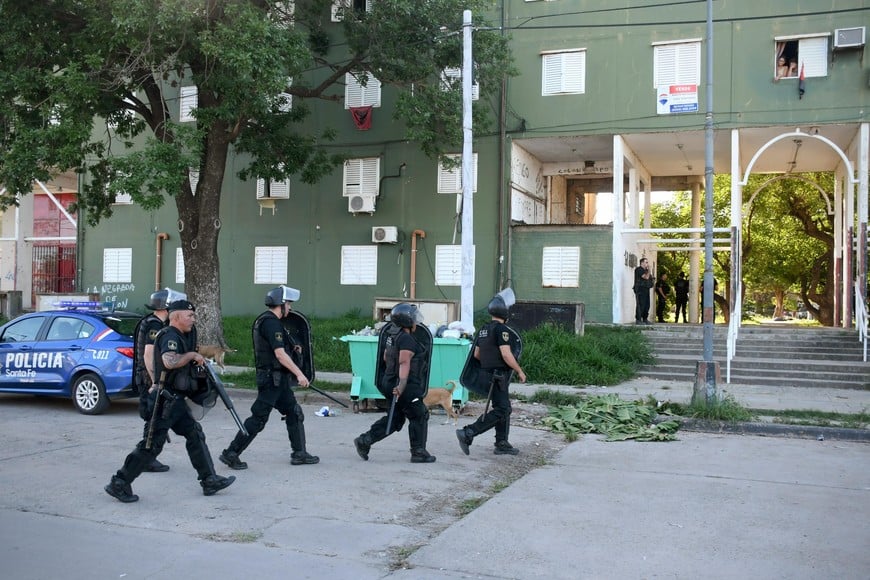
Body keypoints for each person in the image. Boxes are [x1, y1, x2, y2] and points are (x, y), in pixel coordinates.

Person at [105, 299, 235, 502]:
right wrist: (191, 354)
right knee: (151, 445)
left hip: (176, 400)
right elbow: (168, 360)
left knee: (194, 434)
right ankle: (119, 483)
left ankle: (209, 479)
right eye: (189, 315)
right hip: (165, 400)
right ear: (176, 317)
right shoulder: (169, 335)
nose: (193, 319)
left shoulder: (184, 335)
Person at [219, 286, 319, 470]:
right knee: (258, 418)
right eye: (288, 303)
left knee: (294, 411)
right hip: (271, 380)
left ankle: (299, 453)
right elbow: (279, 354)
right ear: (280, 304)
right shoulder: (271, 323)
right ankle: (231, 453)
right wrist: (299, 374)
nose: (290, 307)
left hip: (277, 380)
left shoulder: (270, 321)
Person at [353, 303, 436, 464]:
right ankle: (418, 452)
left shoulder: (392, 335)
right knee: (419, 414)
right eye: (413, 318)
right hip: (404, 385)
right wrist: (402, 386)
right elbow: (404, 363)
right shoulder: (406, 339)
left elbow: (386, 357)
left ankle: (365, 440)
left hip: (388, 381)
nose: (416, 322)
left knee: (396, 418)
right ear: (406, 321)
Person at [455, 290, 527, 456]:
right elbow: (506, 354)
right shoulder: (502, 330)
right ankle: (469, 432)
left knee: (503, 407)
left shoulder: (484, 329)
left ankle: (501, 442)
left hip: (488, 375)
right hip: (499, 375)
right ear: (505, 312)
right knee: (503, 410)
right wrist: (519, 371)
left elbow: (477, 355)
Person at [132, 287, 185, 473]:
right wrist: (155, 381)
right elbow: (148, 354)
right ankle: (145, 457)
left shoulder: (153, 322)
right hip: (148, 377)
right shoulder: (155, 325)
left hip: (148, 377)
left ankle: (148, 456)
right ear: (167, 307)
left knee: (156, 418)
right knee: (154, 418)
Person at [633, 257, 653, 324]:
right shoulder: (639, 269)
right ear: (642, 263)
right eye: (646, 262)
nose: (647, 264)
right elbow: (646, 277)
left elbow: (649, 279)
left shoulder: (645, 271)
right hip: (640, 289)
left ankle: (645, 319)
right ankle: (638, 319)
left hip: (646, 289)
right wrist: (649, 270)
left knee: (647, 305)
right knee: (641, 304)